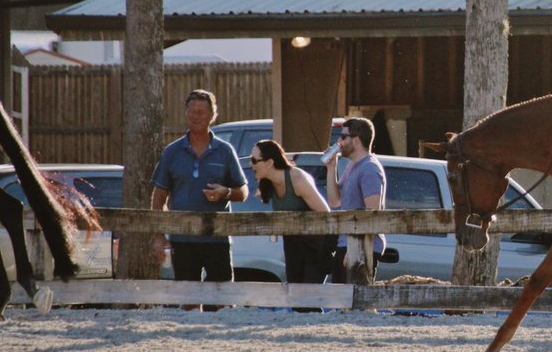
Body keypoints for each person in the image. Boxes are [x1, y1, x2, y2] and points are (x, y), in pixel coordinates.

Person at [151, 89, 248, 302]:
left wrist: (225, 193)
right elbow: (159, 195)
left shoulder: (225, 151)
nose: (196, 116)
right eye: (192, 111)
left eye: (201, 112)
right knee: (188, 301)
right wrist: (159, 236)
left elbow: (243, 192)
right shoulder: (172, 152)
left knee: (222, 300)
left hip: (217, 237)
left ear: (212, 115)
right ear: (186, 113)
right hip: (182, 239)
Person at [250, 139, 339, 284]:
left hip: (315, 248)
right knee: (294, 294)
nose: (251, 164)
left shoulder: (297, 179)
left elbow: (325, 215)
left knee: (309, 294)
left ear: (270, 162)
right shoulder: (269, 183)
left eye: (254, 160)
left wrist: (329, 251)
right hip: (292, 248)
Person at [325, 117, 386, 285]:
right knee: (340, 298)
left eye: (344, 137)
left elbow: (373, 213)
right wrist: (331, 168)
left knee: (355, 298)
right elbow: (335, 201)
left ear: (357, 141)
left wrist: (356, 250)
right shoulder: (353, 166)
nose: (339, 142)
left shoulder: (369, 168)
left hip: (361, 248)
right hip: (346, 243)